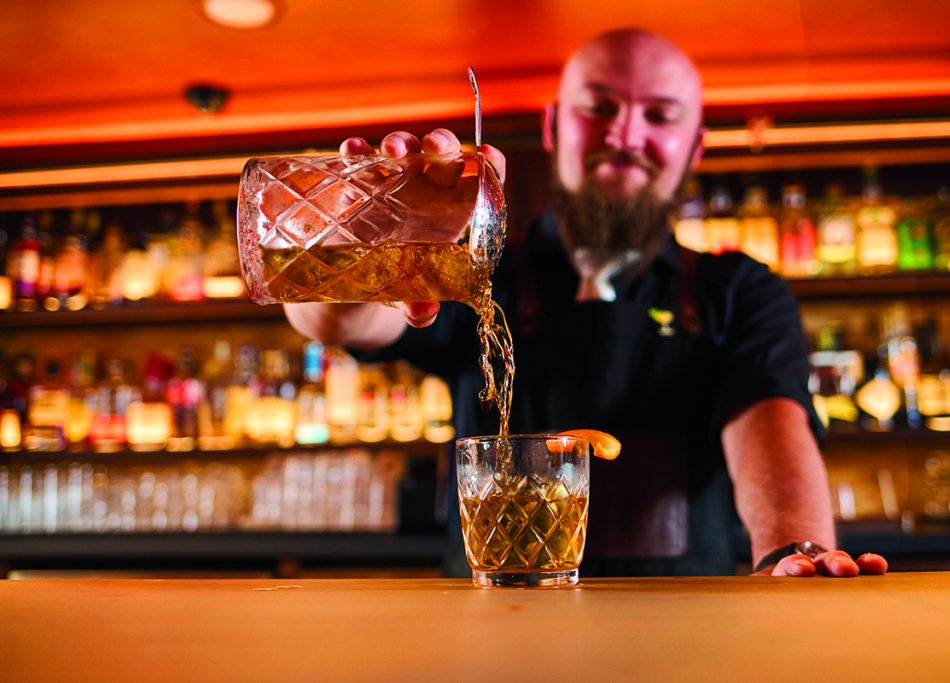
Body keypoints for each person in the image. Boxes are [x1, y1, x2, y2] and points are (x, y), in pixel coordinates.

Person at [285, 28, 888, 578]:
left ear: (694, 147)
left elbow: (769, 419)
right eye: (599, 107)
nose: (625, 134)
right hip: (491, 643)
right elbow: (336, 321)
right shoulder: (480, 269)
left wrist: (792, 551)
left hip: (689, 642)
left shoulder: (738, 288)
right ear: (553, 127)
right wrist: (356, 248)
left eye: (659, 115)